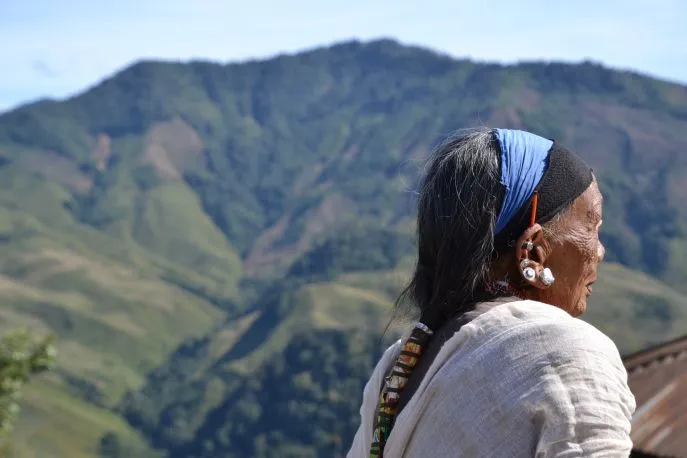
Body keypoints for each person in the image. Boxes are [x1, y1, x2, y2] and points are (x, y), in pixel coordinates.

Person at [347, 128, 636, 457]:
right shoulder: (567, 354)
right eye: (592, 227)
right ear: (532, 250)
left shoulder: (398, 366)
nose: (599, 252)